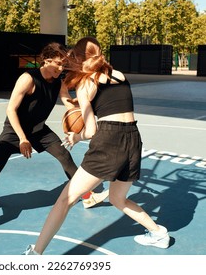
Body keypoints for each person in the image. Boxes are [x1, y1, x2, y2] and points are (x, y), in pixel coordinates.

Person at [24, 37, 170, 255]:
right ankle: (158, 233)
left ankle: (35, 255)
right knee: (117, 198)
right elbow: (112, 104)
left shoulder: (85, 84)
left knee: (65, 199)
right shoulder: (119, 75)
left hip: (109, 141)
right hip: (133, 139)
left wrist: (76, 137)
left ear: (79, 59)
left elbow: (92, 130)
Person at [0, 42, 109, 215]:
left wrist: (79, 111)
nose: (61, 68)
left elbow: (66, 99)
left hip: (39, 130)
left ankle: (86, 196)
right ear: (46, 60)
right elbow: (11, 109)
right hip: (14, 131)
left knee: (64, 156)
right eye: (58, 64)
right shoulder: (28, 79)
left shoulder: (57, 82)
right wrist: (23, 138)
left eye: (63, 65)